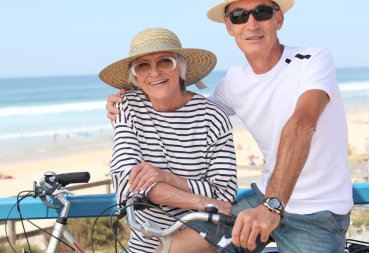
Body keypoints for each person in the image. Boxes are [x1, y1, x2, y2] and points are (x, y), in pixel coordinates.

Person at [105, 0, 353, 252]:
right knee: (173, 249)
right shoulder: (233, 83)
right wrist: (125, 104)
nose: (251, 23)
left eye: (262, 12)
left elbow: (301, 125)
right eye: (239, 16)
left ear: (278, 18)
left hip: (315, 210)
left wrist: (272, 207)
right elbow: (193, 113)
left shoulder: (312, 59)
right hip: (262, 200)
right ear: (229, 26)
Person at [99, 27, 237, 253]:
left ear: (180, 68)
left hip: (199, 245)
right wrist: (200, 202)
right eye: (143, 65)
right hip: (143, 246)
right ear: (136, 76)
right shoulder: (128, 107)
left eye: (165, 61)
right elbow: (127, 185)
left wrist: (166, 178)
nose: (154, 72)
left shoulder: (212, 117)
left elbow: (224, 194)